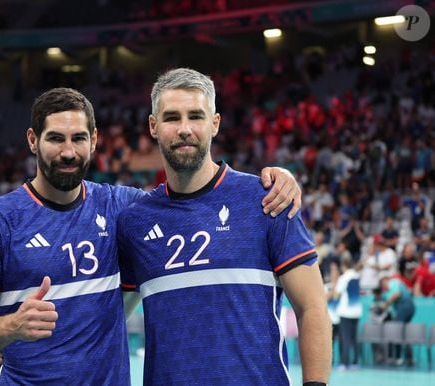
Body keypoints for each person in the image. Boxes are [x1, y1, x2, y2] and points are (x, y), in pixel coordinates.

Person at [0, 87, 302, 385]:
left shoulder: (126, 210)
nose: (68, 151)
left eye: (78, 138)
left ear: (93, 140)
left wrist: (276, 178)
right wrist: (12, 326)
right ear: (33, 140)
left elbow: (195, 196)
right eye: (55, 138)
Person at [117, 68, 331, 385]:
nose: (184, 129)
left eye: (196, 116)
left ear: (215, 123)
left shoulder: (267, 200)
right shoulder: (135, 221)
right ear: (153, 126)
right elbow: (111, 318)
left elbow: (312, 307)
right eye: (172, 117)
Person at [332, 256, 362, 371]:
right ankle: (355, 362)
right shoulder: (356, 275)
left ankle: (344, 363)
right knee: (354, 338)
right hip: (356, 312)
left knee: (345, 338)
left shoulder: (344, 278)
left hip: (345, 312)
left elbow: (336, 295)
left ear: (343, 265)